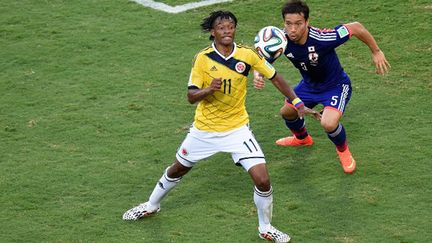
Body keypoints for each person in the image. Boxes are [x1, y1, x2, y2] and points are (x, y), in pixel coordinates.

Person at [122, 10, 318, 242]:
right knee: (178, 168)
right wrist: (208, 90)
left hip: (237, 129)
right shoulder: (203, 59)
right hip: (204, 130)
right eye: (222, 27)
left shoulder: (247, 55)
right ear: (213, 32)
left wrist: (297, 103)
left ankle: (265, 227)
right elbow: (191, 96)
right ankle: (151, 205)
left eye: (231, 26)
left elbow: (275, 76)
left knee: (263, 180)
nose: (227, 30)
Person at [254, 0, 391, 174]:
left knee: (328, 122)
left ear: (307, 22)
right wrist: (258, 74)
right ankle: (302, 139)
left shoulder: (322, 38)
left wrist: (376, 51)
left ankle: (343, 151)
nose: (293, 29)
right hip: (309, 86)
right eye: (288, 24)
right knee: (287, 112)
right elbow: (264, 58)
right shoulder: (282, 39)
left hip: (336, 86)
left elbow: (356, 27)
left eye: (298, 24)